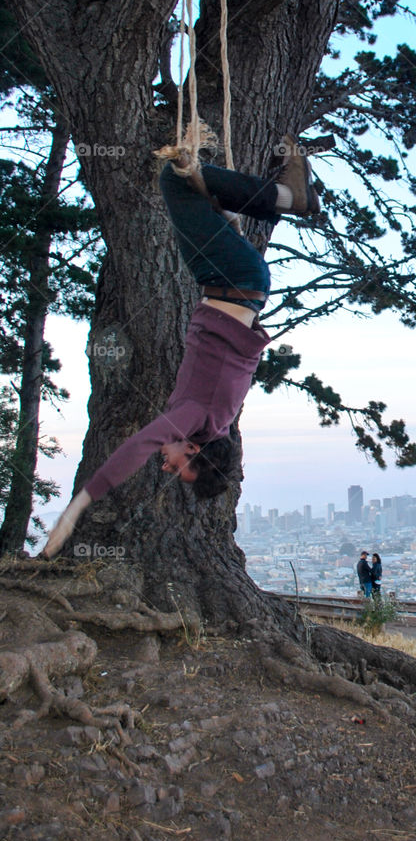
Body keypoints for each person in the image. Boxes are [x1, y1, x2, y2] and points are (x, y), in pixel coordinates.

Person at [42, 136, 319, 558]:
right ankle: (291, 197)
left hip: (238, 283)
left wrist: (224, 221)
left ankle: (248, 195)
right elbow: (135, 449)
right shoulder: (197, 418)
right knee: (175, 179)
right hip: (230, 277)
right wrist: (76, 507)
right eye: (177, 467)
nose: (166, 465)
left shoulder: (218, 424)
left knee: (195, 188)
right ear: (192, 449)